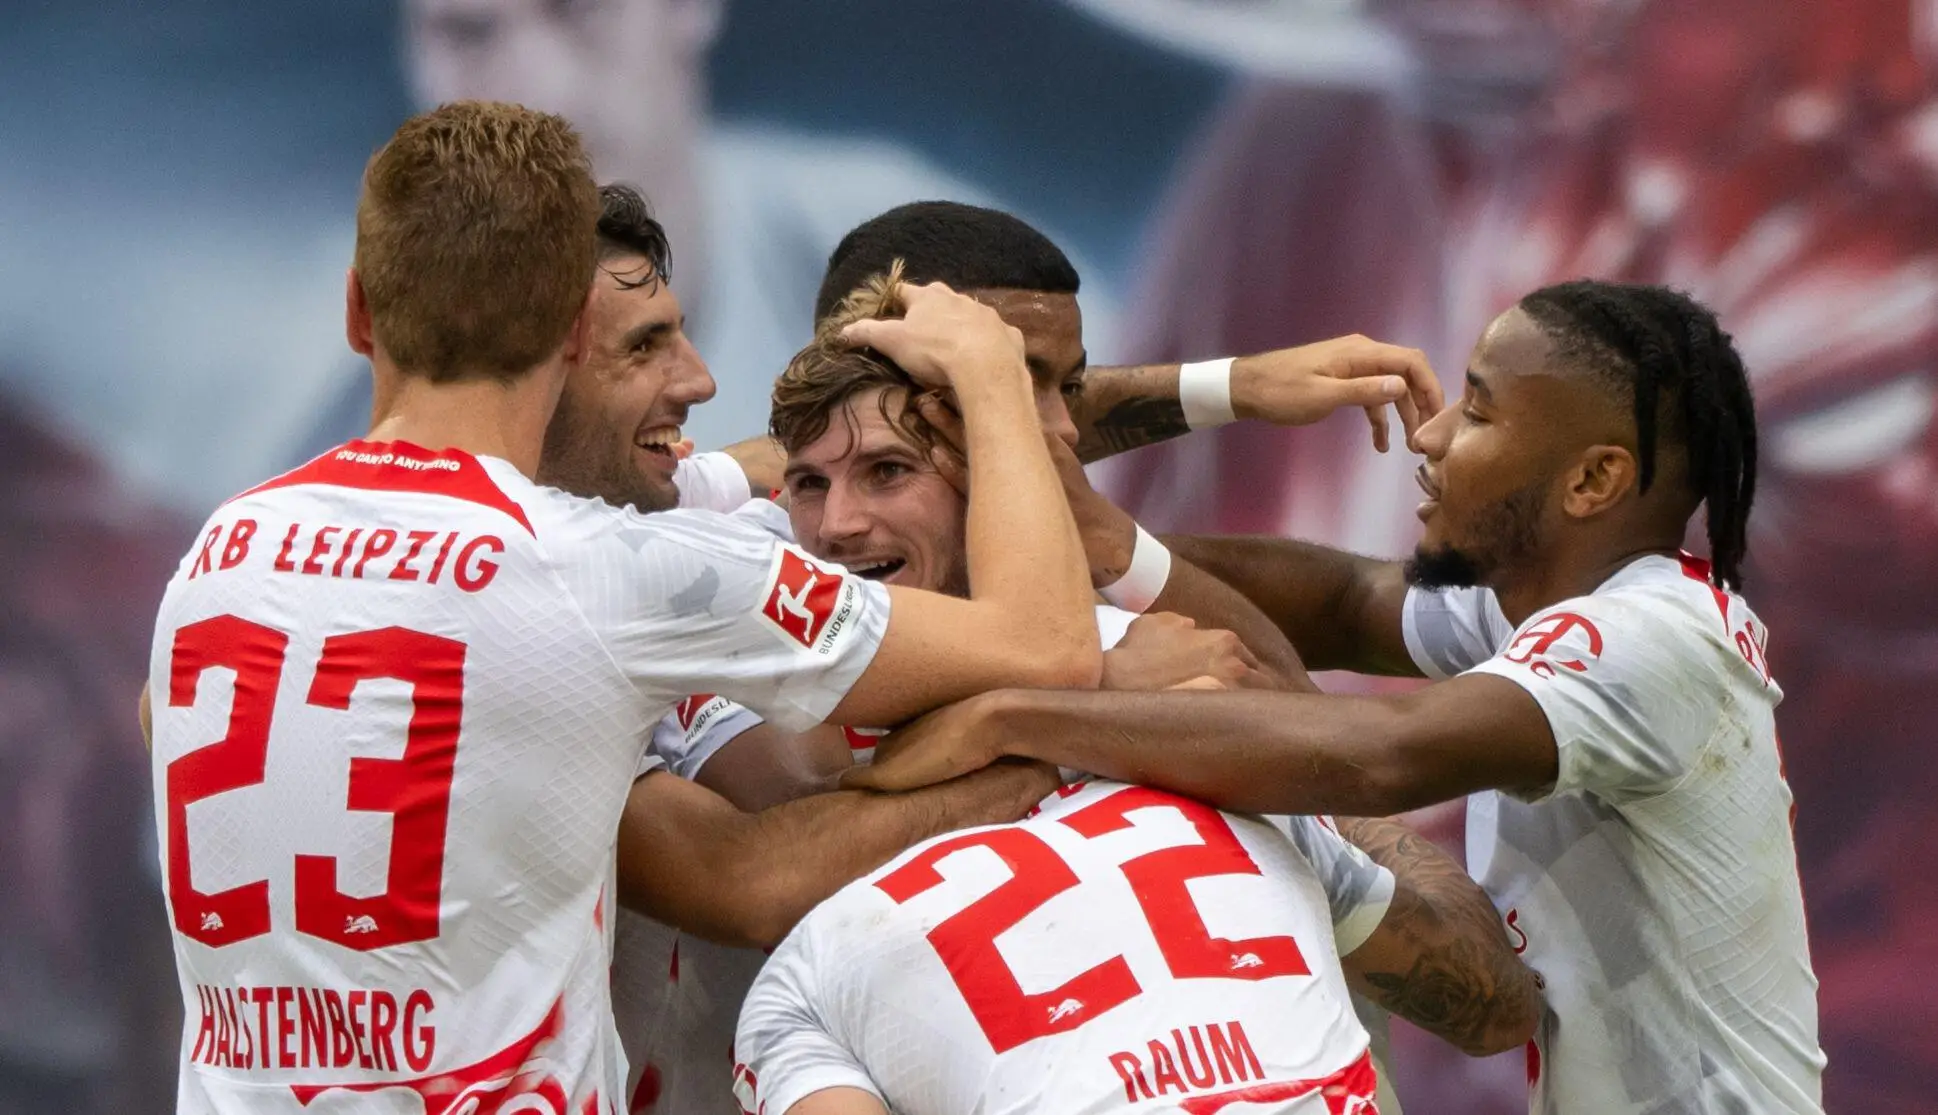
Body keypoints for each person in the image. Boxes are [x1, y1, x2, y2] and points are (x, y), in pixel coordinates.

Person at [142, 101, 1113, 1113]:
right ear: (570, 333)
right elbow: (1046, 644)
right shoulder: (612, 571)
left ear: (356, 310)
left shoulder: (222, 552)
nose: (694, 379)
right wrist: (995, 380)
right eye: (646, 343)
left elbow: (723, 476)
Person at [856, 280, 1826, 1114]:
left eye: (1480, 413)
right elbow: (1344, 602)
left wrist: (1008, 712)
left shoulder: (1648, 637)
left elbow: (1379, 752)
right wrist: (1090, 536)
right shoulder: (1543, 607)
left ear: (1594, 478)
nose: (1434, 435)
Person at [605, 201, 1449, 1113]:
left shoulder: (1056, 579)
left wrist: (1222, 394)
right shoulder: (716, 554)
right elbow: (788, 826)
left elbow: (1295, 728)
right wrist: (1088, 709)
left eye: (1063, 388)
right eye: (1014, 382)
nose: (1063, 432)